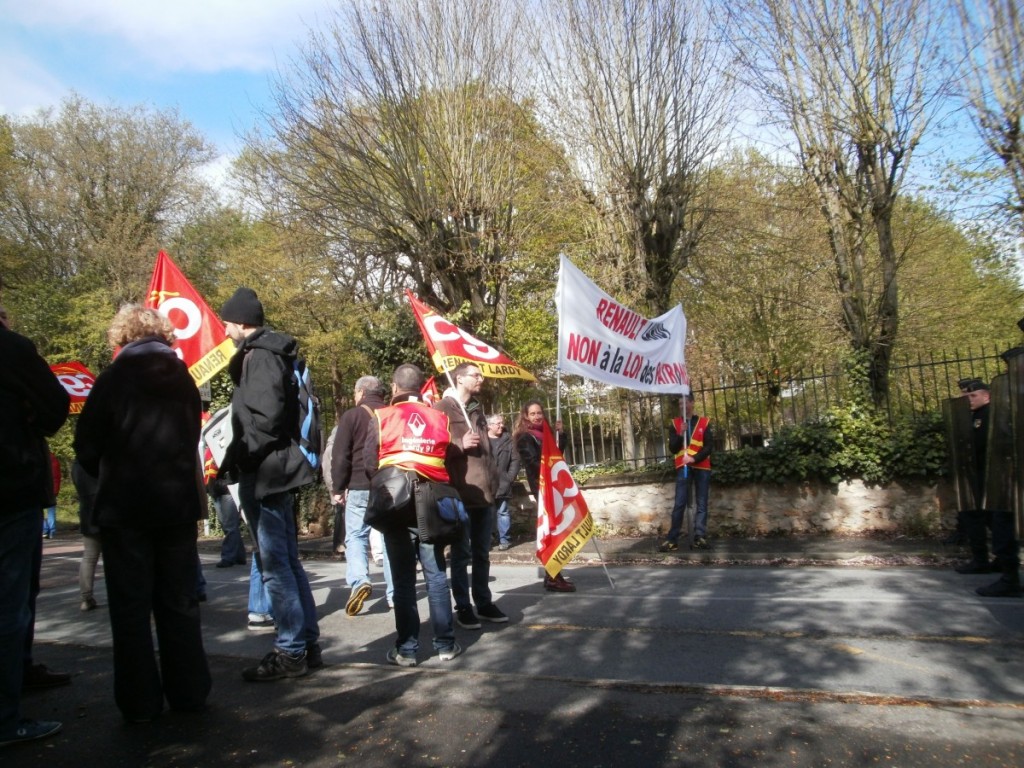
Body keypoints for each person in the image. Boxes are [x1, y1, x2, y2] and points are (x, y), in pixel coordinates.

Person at [73, 304, 211, 723]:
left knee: (130, 610)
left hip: (127, 508)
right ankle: (189, 692)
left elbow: (87, 445)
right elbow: (192, 435)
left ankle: (139, 701)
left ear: (122, 336)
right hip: (176, 506)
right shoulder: (183, 379)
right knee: (179, 602)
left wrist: (111, 474)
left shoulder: (114, 379)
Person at [219, 287, 321, 681]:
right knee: (286, 564)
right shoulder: (273, 353)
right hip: (277, 470)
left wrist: (240, 458)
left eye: (228, 323)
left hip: (266, 473)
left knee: (275, 567)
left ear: (242, 323)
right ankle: (305, 646)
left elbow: (265, 418)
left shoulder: (259, 355)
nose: (226, 331)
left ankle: (291, 650)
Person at [0, 302, 69, 746]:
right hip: (10, 488)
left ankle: (20, 674)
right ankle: (6, 717)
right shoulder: (12, 350)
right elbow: (55, 406)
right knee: (11, 601)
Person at [364, 363, 463, 666]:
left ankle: (406, 649)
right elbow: (449, 458)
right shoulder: (440, 418)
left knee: (404, 581)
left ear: (394, 388)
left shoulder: (380, 417)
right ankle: (446, 645)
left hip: (395, 506)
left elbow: (370, 464)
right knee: (435, 577)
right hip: (430, 505)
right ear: (421, 388)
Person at [434, 363, 507, 628]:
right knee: (461, 554)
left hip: (484, 492)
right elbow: (433, 447)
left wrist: (495, 478)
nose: (481, 379)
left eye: (481, 375)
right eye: (476, 375)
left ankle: (484, 602)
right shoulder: (441, 409)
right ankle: (463, 606)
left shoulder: (476, 409)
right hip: (460, 492)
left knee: (482, 553)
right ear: (459, 378)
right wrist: (458, 445)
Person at [331, 376, 393, 615]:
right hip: (387, 485)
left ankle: (359, 581)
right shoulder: (392, 413)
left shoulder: (351, 416)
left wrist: (338, 488)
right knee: (389, 539)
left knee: (356, 536)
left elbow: (340, 455)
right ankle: (394, 593)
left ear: (361, 392)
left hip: (358, 485)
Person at [513, 400, 576, 593]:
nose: (537, 416)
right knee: (549, 531)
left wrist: (560, 435)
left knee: (557, 530)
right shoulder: (525, 437)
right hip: (542, 488)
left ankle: (553, 574)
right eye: (532, 414)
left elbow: (557, 455)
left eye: (539, 413)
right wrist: (548, 466)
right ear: (526, 416)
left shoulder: (548, 434)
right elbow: (533, 463)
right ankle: (553, 576)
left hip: (554, 486)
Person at [660, 393, 714, 552]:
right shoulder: (675, 424)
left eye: (685, 403)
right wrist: (680, 434)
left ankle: (699, 537)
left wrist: (694, 458)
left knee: (702, 503)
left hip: (702, 466)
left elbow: (709, 446)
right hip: (683, 468)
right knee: (679, 503)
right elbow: (673, 448)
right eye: (680, 404)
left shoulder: (704, 422)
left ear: (692, 403)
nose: (682, 407)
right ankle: (672, 539)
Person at [71, 459, 101, 611]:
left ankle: (86, 597)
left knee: (89, 557)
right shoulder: (103, 460)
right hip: (107, 511)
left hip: (87, 512)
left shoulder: (77, 465)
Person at [488, 413, 519, 551]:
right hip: (486, 483)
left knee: (503, 512)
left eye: (502, 423)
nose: (501, 425)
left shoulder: (509, 440)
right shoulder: (482, 440)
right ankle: (488, 538)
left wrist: (509, 477)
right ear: (489, 426)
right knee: (487, 513)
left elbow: (515, 460)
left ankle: (504, 539)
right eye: (498, 423)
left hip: (503, 482)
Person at [322, 425, 346, 557]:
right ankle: (338, 546)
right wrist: (335, 489)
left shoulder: (336, 448)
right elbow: (327, 472)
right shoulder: (331, 450)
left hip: (340, 489)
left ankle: (340, 546)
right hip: (338, 490)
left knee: (342, 518)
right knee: (340, 518)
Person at [42, 452, 59, 539]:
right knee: (51, 511)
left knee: (39, 510)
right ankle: (52, 531)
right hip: (52, 489)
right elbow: (57, 477)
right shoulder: (54, 459)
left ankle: (44, 530)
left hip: (41, 489)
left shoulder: (39, 458)